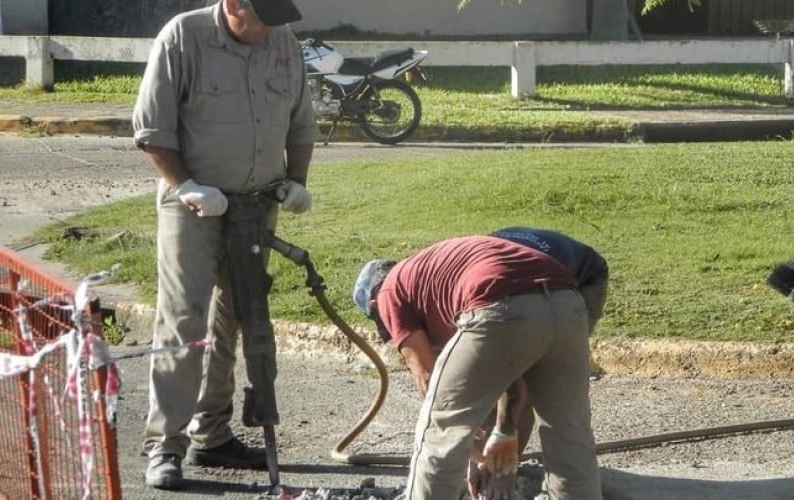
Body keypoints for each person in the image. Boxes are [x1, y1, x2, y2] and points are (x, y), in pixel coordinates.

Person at [132, 0, 316, 490]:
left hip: (256, 208)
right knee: (183, 321)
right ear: (234, 4)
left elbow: (301, 123)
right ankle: (164, 445)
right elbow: (152, 129)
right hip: (192, 206)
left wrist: (296, 180)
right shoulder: (183, 38)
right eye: (261, 19)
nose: (269, 31)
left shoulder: (283, 42)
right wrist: (186, 185)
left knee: (233, 320)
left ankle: (210, 433)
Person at [353, 236, 602, 500]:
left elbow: (428, 377)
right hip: (568, 302)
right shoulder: (436, 273)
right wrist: (504, 432)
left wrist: (470, 448)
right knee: (570, 434)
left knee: (440, 429)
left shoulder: (389, 292)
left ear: (374, 305)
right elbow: (509, 370)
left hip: (501, 303)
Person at [490, 227, 608, 335]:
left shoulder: (542, 271)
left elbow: (546, 305)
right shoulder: (480, 255)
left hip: (589, 274)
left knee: (573, 333)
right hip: (546, 249)